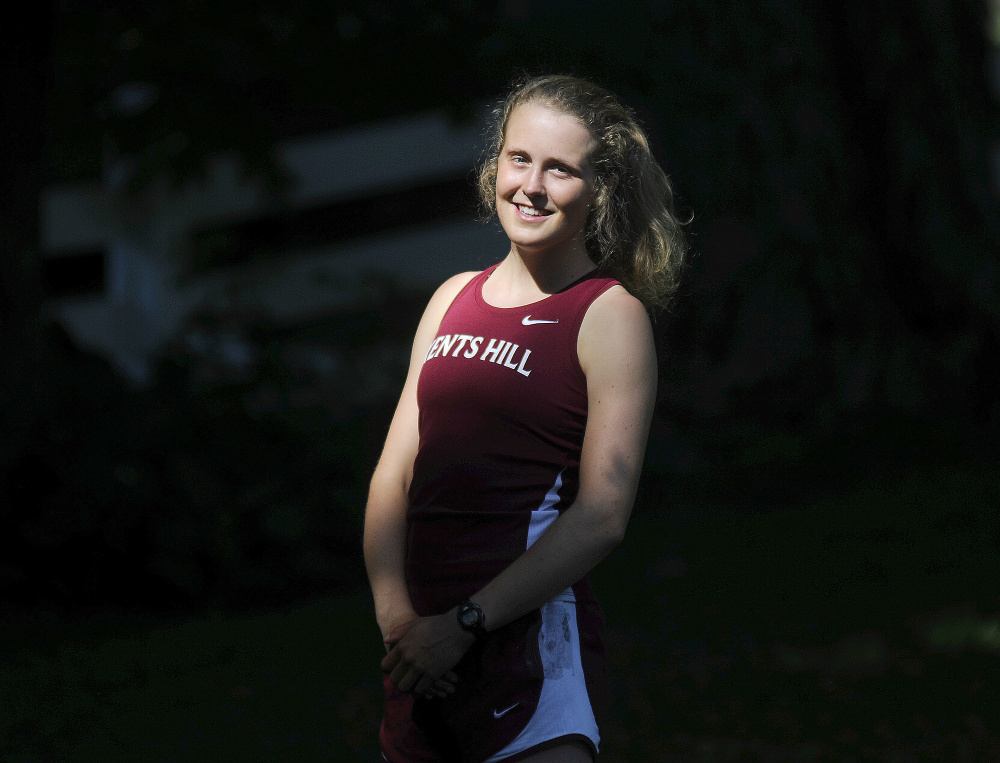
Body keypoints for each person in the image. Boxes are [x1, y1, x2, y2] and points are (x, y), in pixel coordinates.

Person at [364, 74, 686, 762]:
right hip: (420, 659)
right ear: (494, 166)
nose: (532, 185)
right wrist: (401, 625)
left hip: (527, 660)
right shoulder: (452, 298)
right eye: (519, 159)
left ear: (599, 188)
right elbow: (393, 475)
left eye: (560, 168)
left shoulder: (608, 314)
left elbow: (603, 513)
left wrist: (466, 622)